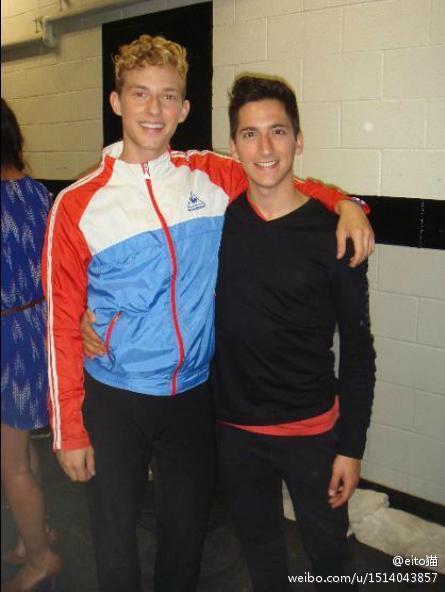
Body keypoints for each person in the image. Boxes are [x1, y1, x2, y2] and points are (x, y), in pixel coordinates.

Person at [44, 35, 373, 592]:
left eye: (168, 96)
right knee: (115, 542)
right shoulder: (76, 204)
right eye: (140, 94)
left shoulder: (209, 174)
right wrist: (69, 429)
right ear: (116, 101)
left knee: (186, 536)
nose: (154, 109)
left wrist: (349, 204)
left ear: (185, 109)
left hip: (195, 397)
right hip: (117, 394)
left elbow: (281, 176)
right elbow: (59, 321)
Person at [211, 76, 376, 592]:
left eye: (277, 131)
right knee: (261, 557)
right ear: (233, 145)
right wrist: (91, 314)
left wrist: (351, 448)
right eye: (250, 133)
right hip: (237, 432)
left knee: (330, 561)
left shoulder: (334, 233)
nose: (265, 148)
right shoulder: (215, 224)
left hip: (314, 435)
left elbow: (359, 352)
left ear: (298, 140)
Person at [1, 98, 62, 592]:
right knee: (19, 449)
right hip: (35, 329)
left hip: (8, 338)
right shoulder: (38, 192)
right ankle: (33, 536)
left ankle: (41, 559)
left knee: (11, 462)